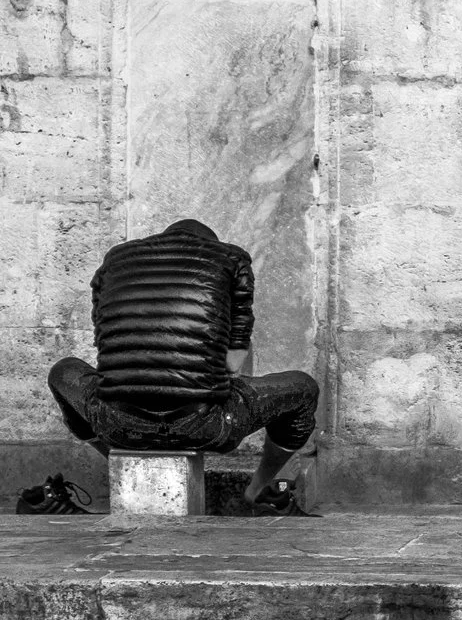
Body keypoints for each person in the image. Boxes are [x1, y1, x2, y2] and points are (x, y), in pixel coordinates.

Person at [21, 219, 319, 515]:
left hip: (118, 423)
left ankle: (116, 457)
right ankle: (258, 490)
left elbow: (106, 341)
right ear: (208, 245)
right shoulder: (230, 258)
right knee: (304, 389)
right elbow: (234, 362)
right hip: (207, 426)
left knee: (63, 370)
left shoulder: (115, 259)